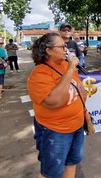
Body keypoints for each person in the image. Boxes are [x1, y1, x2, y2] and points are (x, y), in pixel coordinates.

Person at [27, 32, 87, 178]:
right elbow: (54, 102)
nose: (66, 49)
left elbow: (78, 88)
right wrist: (69, 70)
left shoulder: (66, 64)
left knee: (72, 162)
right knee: (51, 172)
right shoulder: (39, 74)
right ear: (49, 50)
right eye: (62, 46)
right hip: (55, 131)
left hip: (77, 126)